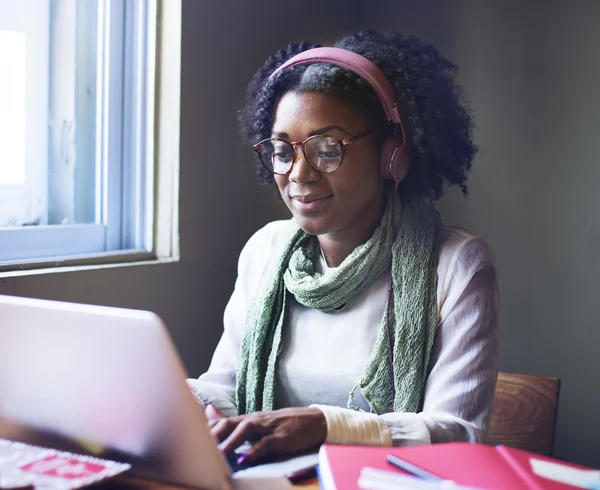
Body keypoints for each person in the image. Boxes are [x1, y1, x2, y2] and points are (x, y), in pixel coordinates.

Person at [187, 29, 500, 466]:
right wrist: (169, 395)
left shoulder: (457, 265)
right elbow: (226, 390)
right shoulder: (265, 250)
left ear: (393, 153)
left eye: (327, 149)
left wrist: (326, 425)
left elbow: (457, 434)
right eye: (282, 150)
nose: (298, 174)